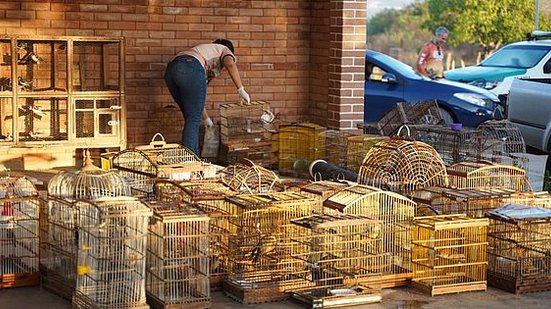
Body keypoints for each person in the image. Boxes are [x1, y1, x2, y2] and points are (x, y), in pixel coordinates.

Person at [164, 39, 251, 155]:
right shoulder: (224, 49)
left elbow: (198, 97)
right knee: (193, 119)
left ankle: (194, 158)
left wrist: (206, 119)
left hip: (171, 71)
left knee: (191, 118)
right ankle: (188, 161)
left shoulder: (205, 55)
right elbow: (230, 64)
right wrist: (241, 89)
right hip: (190, 66)